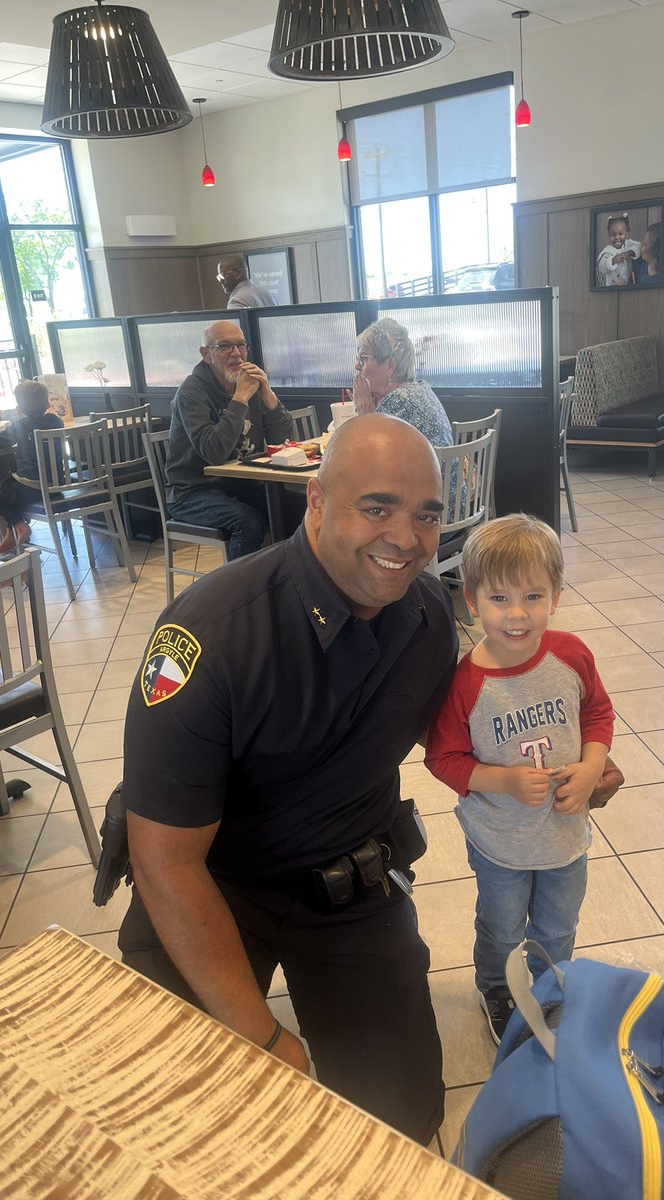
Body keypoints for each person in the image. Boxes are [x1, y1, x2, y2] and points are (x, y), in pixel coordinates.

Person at [118, 414, 459, 1144]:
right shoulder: (209, 632)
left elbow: (451, 735)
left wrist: (560, 746)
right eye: (377, 507)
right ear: (316, 500)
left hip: (349, 882)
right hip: (215, 885)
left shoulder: (429, 616)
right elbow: (163, 857)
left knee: (399, 1120)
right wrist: (264, 1038)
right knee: (163, 1109)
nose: (405, 538)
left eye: (425, 515)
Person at [424, 513, 614, 1045]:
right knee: (502, 928)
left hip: (564, 838)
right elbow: (443, 759)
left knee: (558, 926)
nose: (517, 614)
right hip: (499, 842)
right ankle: (497, 990)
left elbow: (598, 714)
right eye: (500, 598)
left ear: (555, 595)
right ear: (473, 601)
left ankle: (551, 989)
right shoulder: (466, 683)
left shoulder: (571, 655)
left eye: (533, 596)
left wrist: (594, 763)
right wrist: (502, 780)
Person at [165, 320, 294, 561]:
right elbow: (214, 452)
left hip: (241, 482)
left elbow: (284, 441)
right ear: (206, 354)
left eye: (241, 345)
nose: (236, 353)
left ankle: (284, 582)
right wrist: (241, 398)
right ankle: (240, 593)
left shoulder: (249, 382)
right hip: (192, 491)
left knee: (294, 506)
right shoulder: (192, 392)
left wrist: (268, 396)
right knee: (248, 523)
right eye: (225, 346)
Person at [0, 380, 63, 557]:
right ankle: (11, 532)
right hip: (56, 485)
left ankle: (20, 526)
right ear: (47, 403)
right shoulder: (56, 421)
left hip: (29, 488)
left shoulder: (20, 425)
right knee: (8, 492)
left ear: (19, 408)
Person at [349, 318, 452, 450]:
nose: (357, 365)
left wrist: (366, 415)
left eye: (363, 358)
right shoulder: (419, 388)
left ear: (390, 366)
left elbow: (371, 457)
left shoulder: (397, 402)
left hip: (423, 471)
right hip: (442, 470)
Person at [596, 214, 641, 287]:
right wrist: (613, 260)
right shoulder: (607, 250)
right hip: (612, 286)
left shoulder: (628, 244)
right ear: (609, 235)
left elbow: (639, 246)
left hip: (627, 285)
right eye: (613, 235)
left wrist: (628, 253)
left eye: (620, 234)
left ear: (627, 234)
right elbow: (602, 267)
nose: (617, 237)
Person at [633, 222, 663, 286]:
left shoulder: (659, 280)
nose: (641, 244)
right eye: (642, 241)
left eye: (645, 244)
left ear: (656, 249)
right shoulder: (639, 264)